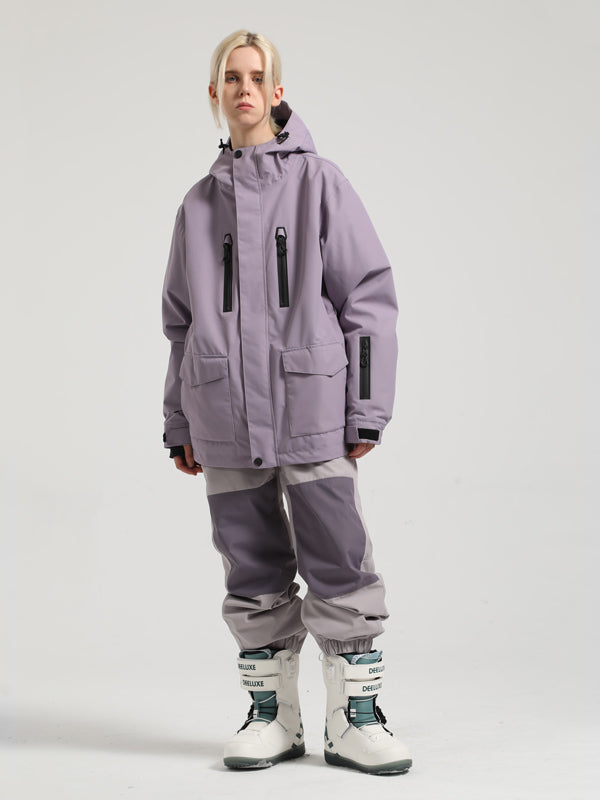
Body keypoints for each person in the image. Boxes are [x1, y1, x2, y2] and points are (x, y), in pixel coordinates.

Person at [160, 29, 412, 775]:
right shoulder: (197, 205)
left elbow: (367, 299)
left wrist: (365, 405)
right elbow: (181, 325)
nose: (244, 89)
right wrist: (179, 418)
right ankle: (273, 714)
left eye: (257, 77)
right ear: (215, 94)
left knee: (339, 556)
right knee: (250, 564)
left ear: (276, 92)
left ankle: (355, 717)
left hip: (312, 409)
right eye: (231, 78)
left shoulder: (319, 184)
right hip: (223, 413)